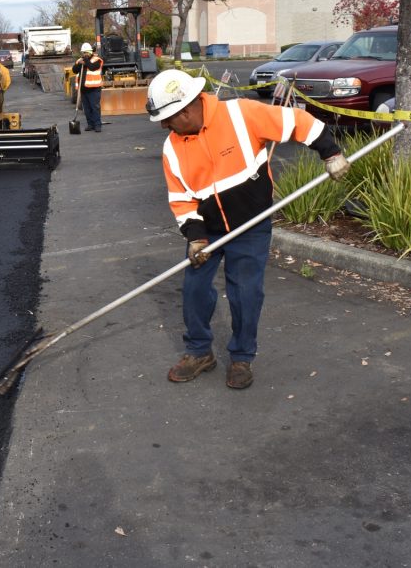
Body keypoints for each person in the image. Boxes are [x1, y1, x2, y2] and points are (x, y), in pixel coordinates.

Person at [148, 69, 351, 390]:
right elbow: (181, 199)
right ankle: (199, 351)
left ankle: (242, 357)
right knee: (194, 291)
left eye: (167, 117)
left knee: (245, 293)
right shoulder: (172, 148)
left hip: (251, 225)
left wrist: (332, 152)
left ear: (185, 110)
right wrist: (195, 237)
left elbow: (298, 121)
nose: (164, 125)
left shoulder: (241, 114)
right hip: (209, 231)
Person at [71, 42, 104, 132]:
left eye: (86, 53)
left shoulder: (96, 60)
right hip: (83, 90)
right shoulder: (80, 60)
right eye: (84, 53)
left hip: (94, 89)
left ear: (90, 52)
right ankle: (90, 124)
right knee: (87, 109)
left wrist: (86, 61)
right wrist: (79, 64)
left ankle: (97, 125)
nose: (85, 54)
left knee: (95, 107)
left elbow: (92, 67)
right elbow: (74, 70)